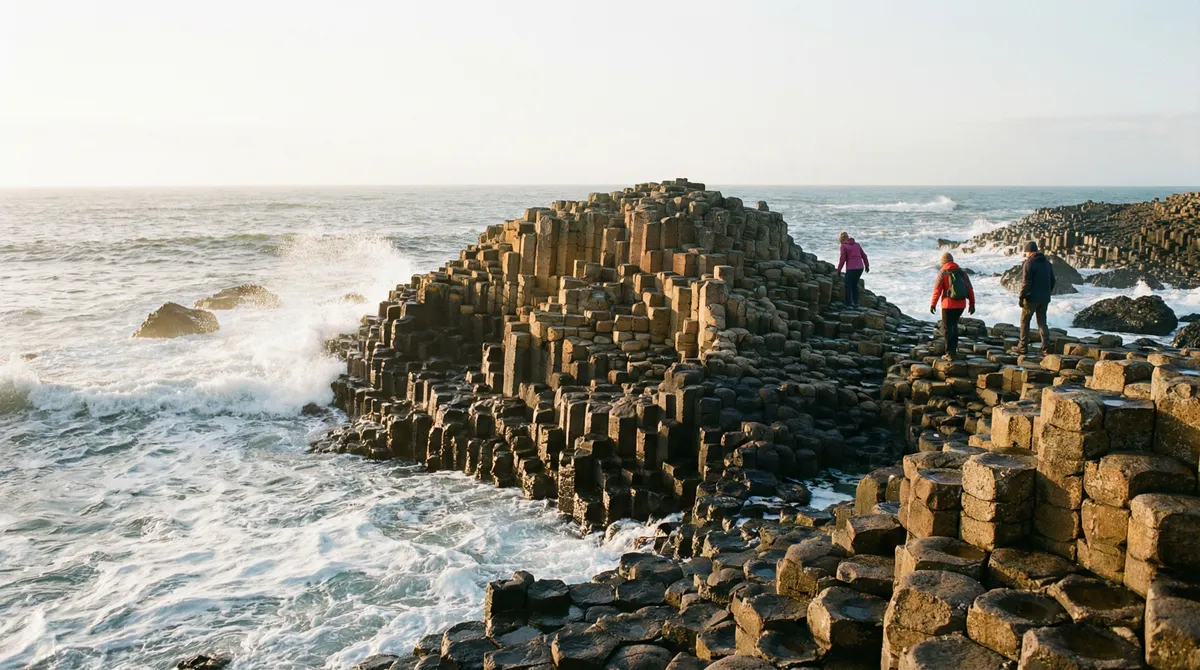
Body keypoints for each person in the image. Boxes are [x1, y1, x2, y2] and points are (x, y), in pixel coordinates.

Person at [930, 252, 976, 361]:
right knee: (954, 327)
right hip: (961, 305)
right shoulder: (962, 272)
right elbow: (969, 289)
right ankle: (953, 352)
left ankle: (949, 354)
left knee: (947, 329)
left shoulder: (943, 272)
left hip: (948, 305)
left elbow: (937, 290)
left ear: (943, 262)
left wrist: (933, 304)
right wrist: (972, 304)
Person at [1015, 240, 1056, 354]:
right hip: (1045, 298)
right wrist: (1047, 292)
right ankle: (1046, 347)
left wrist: (1021, 297)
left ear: (1029, 252)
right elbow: (1053, 280)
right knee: (1042, 322)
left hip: (1032, 298)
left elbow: (1026, 283)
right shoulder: (1047, 263)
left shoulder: (1029, 263)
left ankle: (1022, 346)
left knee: (1025, 320)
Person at [836, 231, 869, 308]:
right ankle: (856, 302)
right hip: (860, 267)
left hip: (851, 268)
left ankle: (848, 304)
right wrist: (867, 266)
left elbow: (842, 259)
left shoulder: (843, 246)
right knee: (854, 285)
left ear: (841, 239)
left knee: (848, 285)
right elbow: (864, 256)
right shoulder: (857, 245)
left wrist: (838, 270)